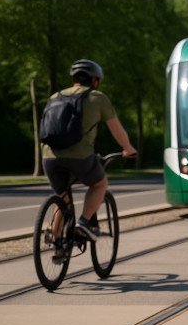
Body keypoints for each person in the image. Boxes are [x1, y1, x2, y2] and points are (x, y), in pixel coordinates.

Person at [42, 59, 137, 248]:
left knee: (62, 196)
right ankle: (84, 222)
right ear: (94, 80)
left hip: (49, 157)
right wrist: (128, 148)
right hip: (80, 157)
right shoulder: (97, 97)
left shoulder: (55, 97)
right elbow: (117, 130)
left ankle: (56, 240)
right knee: (99, 183)